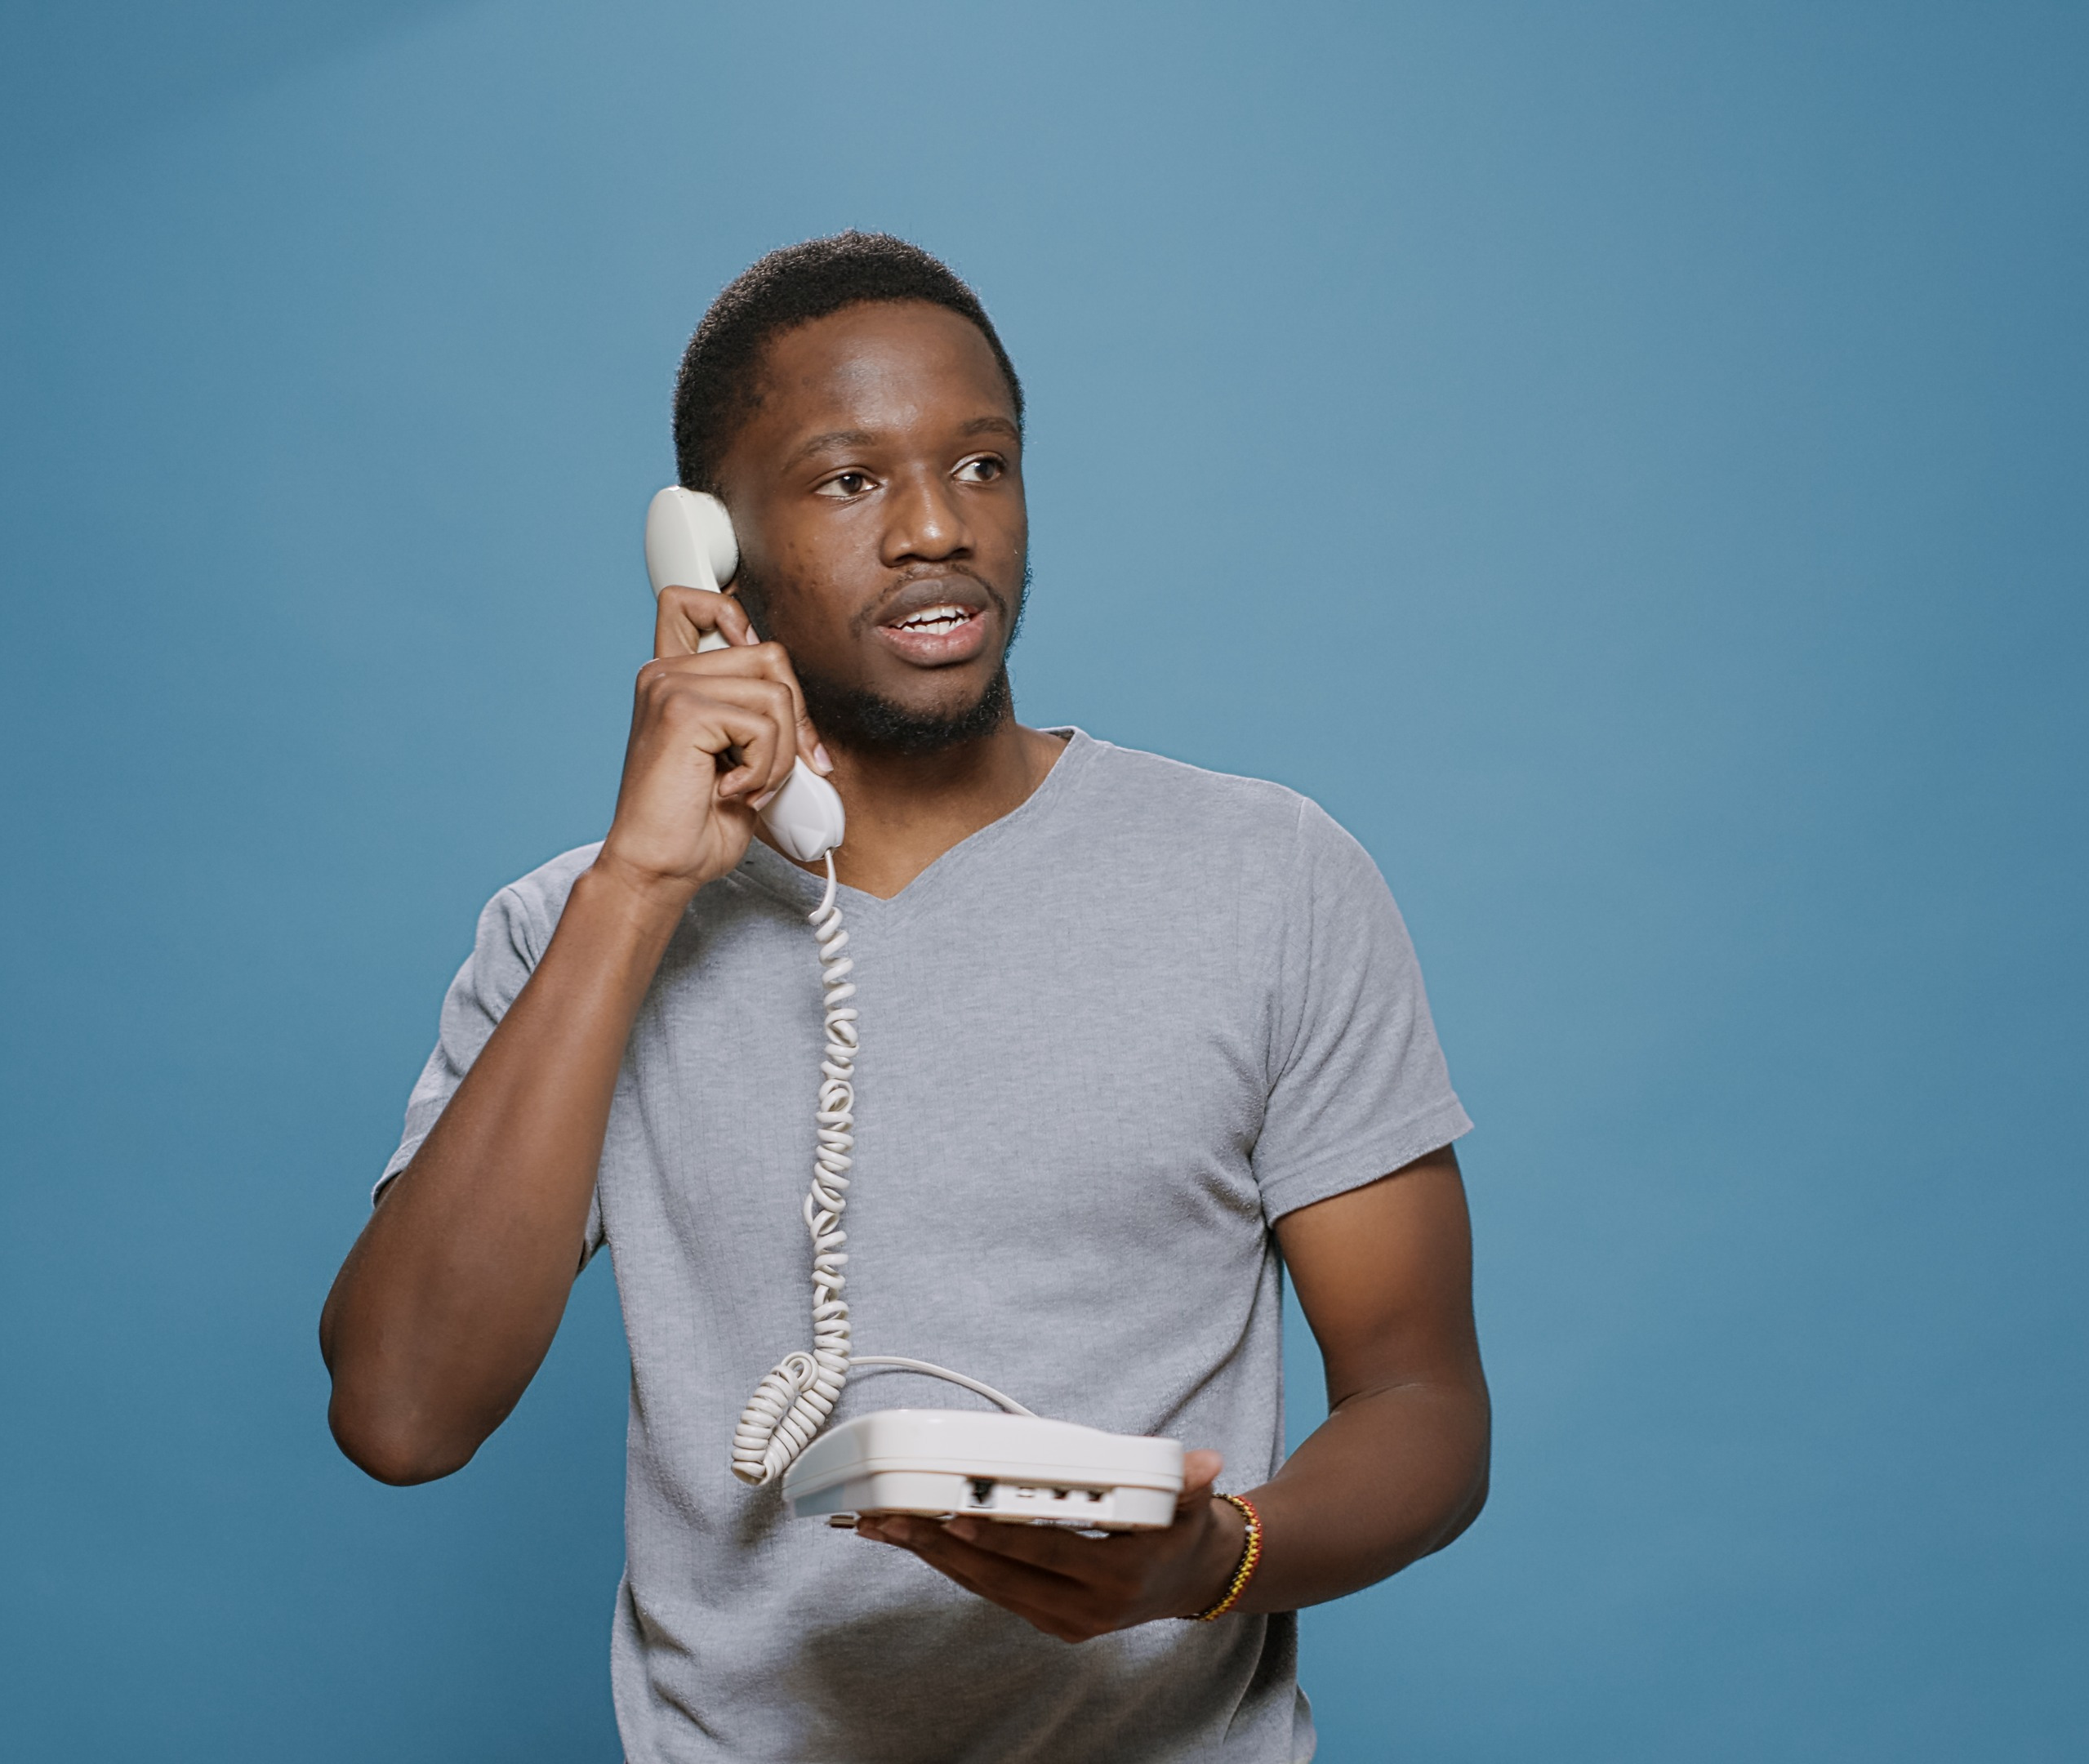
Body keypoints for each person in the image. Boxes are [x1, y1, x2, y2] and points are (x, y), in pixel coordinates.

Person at [320, 232, 1488, 1763]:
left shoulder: (1272, 875)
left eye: (982, 465)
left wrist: (1217, 1562)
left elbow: (1422, 1402)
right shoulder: (570, 931)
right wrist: (638, 890)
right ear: (709, 550)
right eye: (849, 479)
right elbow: (402, 1414)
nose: (938, 527)